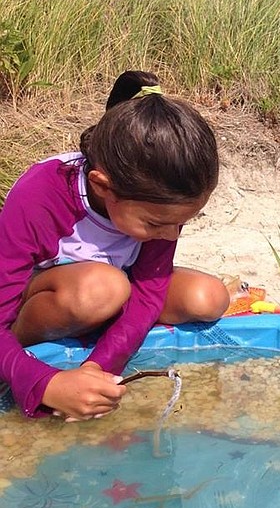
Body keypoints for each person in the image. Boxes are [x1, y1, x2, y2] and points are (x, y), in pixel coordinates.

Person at [0, 70, 230, 421]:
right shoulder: (39, 195)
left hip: (113, 291)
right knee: (103, 289)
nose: (172, 236)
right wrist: (45, 385)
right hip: (48, 300)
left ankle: (92, 339)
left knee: (208, 296)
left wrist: (99, 369)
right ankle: (26, 355)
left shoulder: (156, 204)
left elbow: (151, 292)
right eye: (156, 224)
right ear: (103, 186)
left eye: (182, 223)